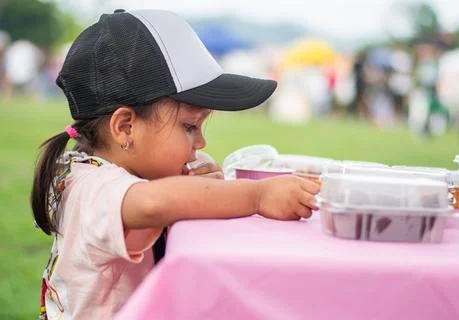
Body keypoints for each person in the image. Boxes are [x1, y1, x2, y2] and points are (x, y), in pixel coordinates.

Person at [31, 9, 320, 320]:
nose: (201, 143)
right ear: (126, 127)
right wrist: (257, 196)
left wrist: (196, 183)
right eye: (189, 127)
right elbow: (154, 203)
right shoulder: (90, 187)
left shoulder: (101, 168)